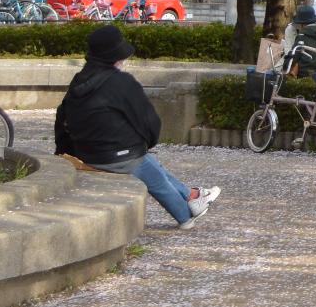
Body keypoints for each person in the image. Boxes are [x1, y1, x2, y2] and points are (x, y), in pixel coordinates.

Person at [56, 24, 220, 228]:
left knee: (147, 162)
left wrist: (65, 152)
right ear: (116, 57)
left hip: (87, 153)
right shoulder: (121, 82)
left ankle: (192, 194)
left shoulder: (78, 81)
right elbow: (149, 122)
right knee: (151, 174)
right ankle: (186, 213)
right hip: (116, 157)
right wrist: (144, 145)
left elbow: (61, 117)